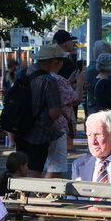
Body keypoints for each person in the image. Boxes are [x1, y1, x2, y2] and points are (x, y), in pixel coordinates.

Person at [19, 45, 64, 174]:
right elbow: (54, 113)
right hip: (39, 132)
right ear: (51, 61)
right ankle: (30, 194)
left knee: (21, 169)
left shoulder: (23, 73)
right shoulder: (48, 80)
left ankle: (18, 193)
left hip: (19, 128)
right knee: (34, 170)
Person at [45, 49, 80, 178]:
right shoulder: (58, 79)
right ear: (58, 62)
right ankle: (42, 193)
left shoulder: (41, 77)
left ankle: (42, 192)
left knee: (48, 164)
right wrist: (80, 83)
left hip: (43, 125)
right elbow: (76, 99)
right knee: (56, 166)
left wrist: (69, 82)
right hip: (58, 126)